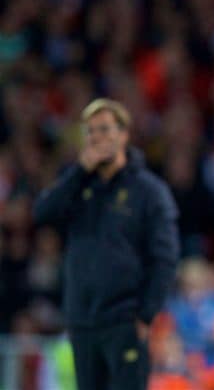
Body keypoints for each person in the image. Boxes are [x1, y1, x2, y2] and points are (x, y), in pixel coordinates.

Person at [33, 98, 179, 390]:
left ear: (124, 134)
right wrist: (78, 172)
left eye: (105, 129)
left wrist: (146, 314)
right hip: (82, 320)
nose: (97, 137)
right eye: (91, 131)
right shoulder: (77, 185)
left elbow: (165, 257)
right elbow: (42, 214)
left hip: (125, 320)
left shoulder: (148, 191)